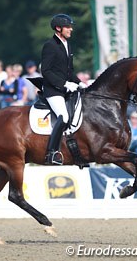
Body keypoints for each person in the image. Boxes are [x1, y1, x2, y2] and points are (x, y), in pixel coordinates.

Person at [41, 14, 86, 165]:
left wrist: (80, 83)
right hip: (53, 90)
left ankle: (77, 153)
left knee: (80, 115)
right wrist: (65, 84)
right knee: (64, 117)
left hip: (65, 90)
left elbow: (69, 72)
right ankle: (51, 153)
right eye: (68, 27)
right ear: (58, 28)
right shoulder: (50, 45)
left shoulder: (67, 44)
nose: (71, 29)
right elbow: (46, 71)